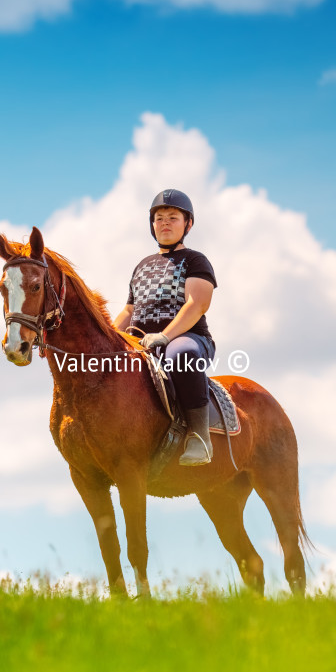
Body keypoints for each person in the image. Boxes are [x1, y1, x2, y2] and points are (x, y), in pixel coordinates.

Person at [113, 189, 217, 466]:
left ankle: (200, 437)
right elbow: (129, 311)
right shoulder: (142, 266)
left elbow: (197, 305)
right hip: (143, 344)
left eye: (173, 217)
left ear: (188, 224)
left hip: (188, 339)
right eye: (159, 218)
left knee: (180, 354)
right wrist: (108, 336)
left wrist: (165, 336)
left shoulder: (195, 261)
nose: (165, 223)